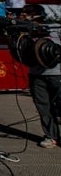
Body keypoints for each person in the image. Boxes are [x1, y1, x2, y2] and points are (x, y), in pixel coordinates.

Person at [24, 8, 61, 148]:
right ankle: (51, 136)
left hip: (57, 74)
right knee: (43, 108)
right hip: (36, 75)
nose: (31, 17)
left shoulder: (56, 28)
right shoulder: (27, 30)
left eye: (34, 15)